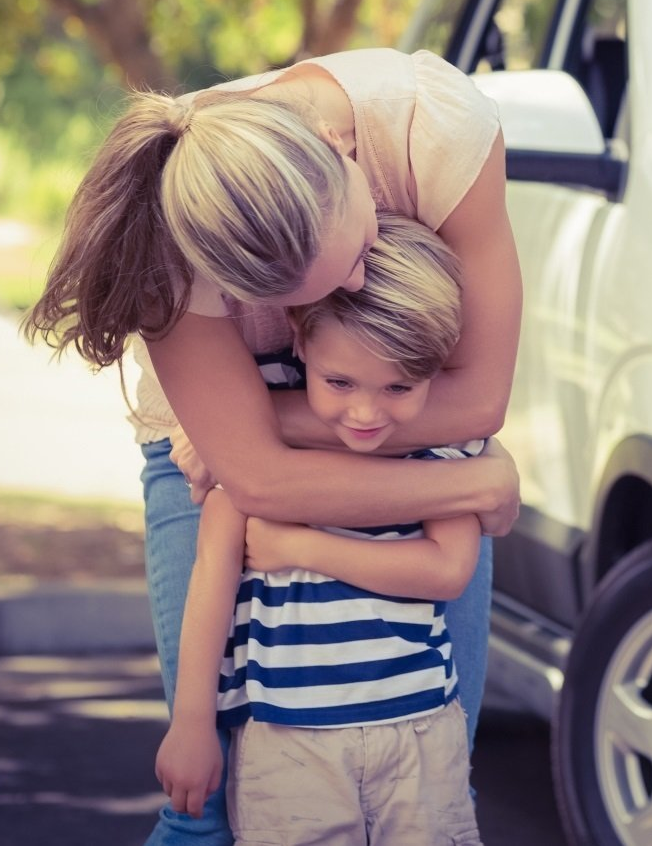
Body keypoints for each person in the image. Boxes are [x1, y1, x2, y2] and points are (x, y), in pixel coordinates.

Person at [24, 47, 523, 845]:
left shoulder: (435, 128)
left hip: (396, 438)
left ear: (337, 147)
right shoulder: (168, 236)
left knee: (430, 780)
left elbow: (475, 398)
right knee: (209, 809)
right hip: (211, 476)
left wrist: (251, 424)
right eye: (311, 298)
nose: (355, 288)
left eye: (358, 252)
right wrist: (478, 484)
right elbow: (254, 484)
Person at [157, 216, 483, 845]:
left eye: (400, 387)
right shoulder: (260, 429)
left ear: (436, 369)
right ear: (301, 341)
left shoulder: (439, 445)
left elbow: (447, 568)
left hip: (419, 731)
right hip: (288, 742)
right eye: (339, 383)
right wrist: (192, 721)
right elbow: (213, 573)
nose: (365, 413)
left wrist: (300, 546)